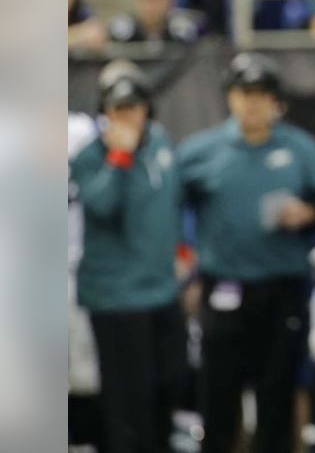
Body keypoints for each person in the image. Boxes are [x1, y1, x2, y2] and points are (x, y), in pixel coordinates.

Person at [177, 53, 315, 453]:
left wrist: (309, 214)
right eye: (244, 94)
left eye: (261, 95)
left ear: (275, 101)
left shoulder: (300, 148)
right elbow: (170, 208)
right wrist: (184, 258)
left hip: (283, 287)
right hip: (224, 286)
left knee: (278, 395)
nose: (252, 103)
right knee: (218, 395)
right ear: (230, 99)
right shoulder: (201, 152)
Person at [70, 65, 185, 453]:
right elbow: (101, 204)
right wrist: (119, 155)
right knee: (125, 395)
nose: (126, 117)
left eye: (132, 108)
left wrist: (184, 249)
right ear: (105, 113)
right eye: (117, 109)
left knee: (167, 384)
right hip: (116, 296)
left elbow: (175, 199)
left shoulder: (162, 143)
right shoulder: (91, 157)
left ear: (147, 110)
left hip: (161, 289)